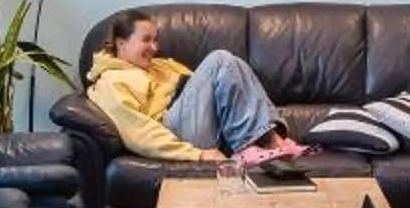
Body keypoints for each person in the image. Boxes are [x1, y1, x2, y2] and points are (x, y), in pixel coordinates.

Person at [83, 9, 313, 163]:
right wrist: (197, 155)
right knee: (220, 59)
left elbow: (208, 89)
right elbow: (139, 133)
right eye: (146, 40)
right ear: (121, 43)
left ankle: (274, 142)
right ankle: (252, 147)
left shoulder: (157, 66)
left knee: (234, 64)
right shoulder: (110, 82)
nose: (154, 47)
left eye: (156, 39)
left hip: (199, 122)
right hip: (176, 130)